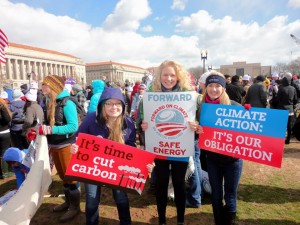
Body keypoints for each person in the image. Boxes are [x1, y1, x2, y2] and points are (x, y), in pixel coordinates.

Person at [136, 60, 200, 225]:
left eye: (172, 75)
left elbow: (200, 122)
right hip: (159, 147)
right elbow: (140, 118)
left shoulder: (189, 95)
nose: (169, 78)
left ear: (178, 76)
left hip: (180, 146)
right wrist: (142, 125)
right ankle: (162, 221)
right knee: (161, 184)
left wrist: (196, 125)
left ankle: (180, 221)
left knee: (179, 184)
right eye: (165, 75)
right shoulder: (150, 94)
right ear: (159, 76)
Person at [70, 87, 138, 225]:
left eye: (118, 104)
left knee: (121, 198)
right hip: (93, 166)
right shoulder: (91, 119)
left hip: (117, 167)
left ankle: (125, 222)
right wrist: (75, 147)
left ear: (123, 106)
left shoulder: (128, 122)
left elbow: (132, 146)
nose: (114, 107)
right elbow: (78, 139)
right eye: (109, 103)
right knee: (92, 199)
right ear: (102, 105)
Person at [27, 75, 80, 222]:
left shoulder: (67, 103)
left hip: (66, 145)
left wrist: (51, 130)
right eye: (42, 84)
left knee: (71, 178)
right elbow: (51, 122)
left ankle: (75, 208)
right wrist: (38, 130)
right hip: (55, 145)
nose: (42, 87)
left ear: (55, 87)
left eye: (46, 85)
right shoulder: (51, 101)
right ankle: (68, 203)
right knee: (63, 177)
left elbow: (73, 126)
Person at [198, 71, 243, 225]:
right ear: (206, 88)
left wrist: (248, 114)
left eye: (218, 86)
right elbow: (197, 130)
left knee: (230, 195)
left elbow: (247, 132)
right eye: (211, 85)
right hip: (212, 160)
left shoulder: (235, 106)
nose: (214, 89)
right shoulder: (202, 108)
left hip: (233, 160)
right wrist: (198, 129)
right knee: (216, 196)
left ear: (223, 88)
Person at [0, 95, 12, 179]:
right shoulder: (2, 107)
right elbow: (8, 119)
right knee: (4, 151)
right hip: (4, 132)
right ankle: (5, 172)